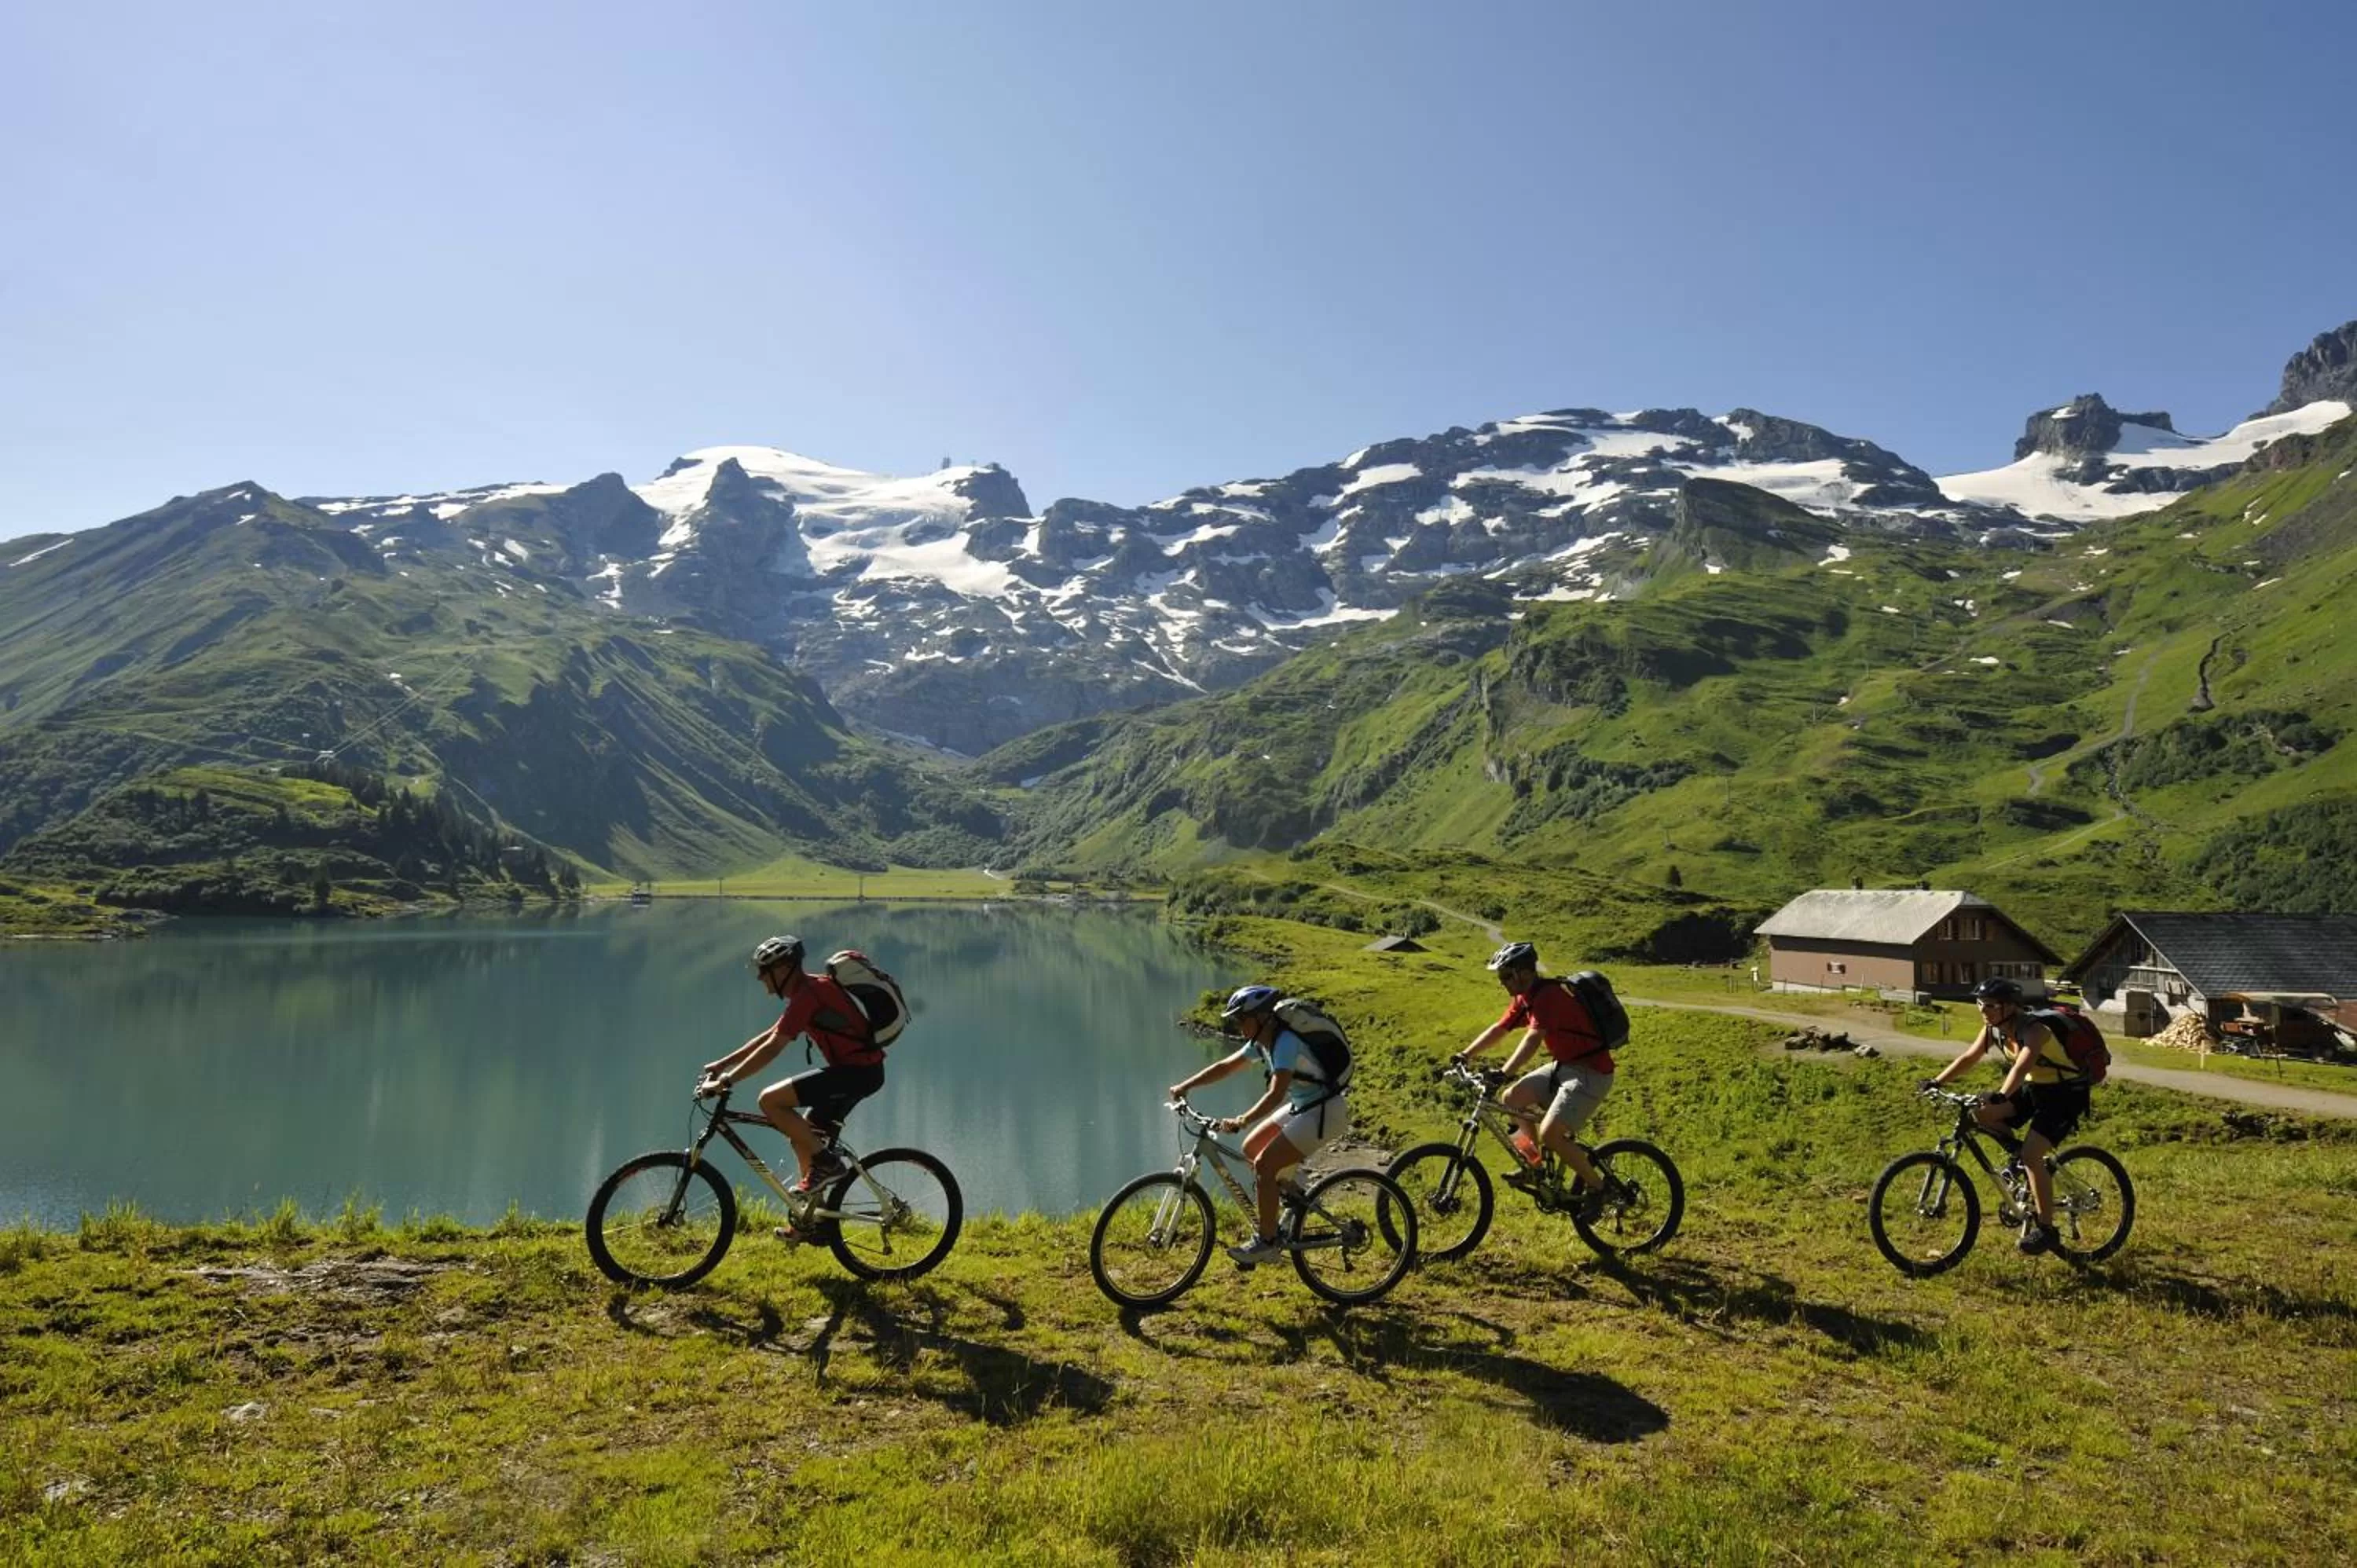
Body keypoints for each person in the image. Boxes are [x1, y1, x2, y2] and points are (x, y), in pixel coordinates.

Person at [1170, 984, 1351, 1265]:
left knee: (1265, 1166)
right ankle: (1294, 1201)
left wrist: (1242, 1119)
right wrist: (1186, 1086)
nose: (1240, 1026)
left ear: (1262, 1018)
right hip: (1305, 1107)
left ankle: (1267, 1242)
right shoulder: (1262, 1043)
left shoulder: (1285, 1043)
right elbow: (1227, 1066)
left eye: (1243, 1019)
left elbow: (1276, 1094)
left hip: (1324, 1113)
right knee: (1252, 1148)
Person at [698, 935, 886, 1199]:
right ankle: (812, 1219)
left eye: (764, 971)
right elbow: (770, 1035)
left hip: (857, 1074)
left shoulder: (809, 996)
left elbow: (774, 1047)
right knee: (803, 1135)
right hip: (859, 1072)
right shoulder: (808, 991)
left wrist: (727, 1081)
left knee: (770, 1101)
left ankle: (828, 1164)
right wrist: (722, 1064)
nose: (760, 977)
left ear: (783, 969)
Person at [1921, 976, 2091, 1254]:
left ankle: (2047, 1230)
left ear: (2010, 1007)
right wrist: (1936, 1081)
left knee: (2032, 1155)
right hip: (2036, 1088)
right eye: (1979, 1004)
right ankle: (2018, 1160)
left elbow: (2022, 1067)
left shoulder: (2036, 1030)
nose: (1982, 1010)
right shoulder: (1993, 1028)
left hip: (2065, 1094)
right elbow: (1969, 1058)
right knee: (1981, 1115)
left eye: (1989, 1005)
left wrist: (2001, 1094)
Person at [1453, 941, 1614, 1217]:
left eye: (1505, 976)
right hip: (1564, 1067)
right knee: (1512, 1099)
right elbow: (1500, 1029)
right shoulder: (1525, 997)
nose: (1502, 982)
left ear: (1523, 973)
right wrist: (1465, 1055)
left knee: (1551, 1134)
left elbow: (1532, 1040)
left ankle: (1599, 1188)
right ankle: (1534, 1166)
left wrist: (1505, 1072)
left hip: (1591, 1073)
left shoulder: (1548, 996)